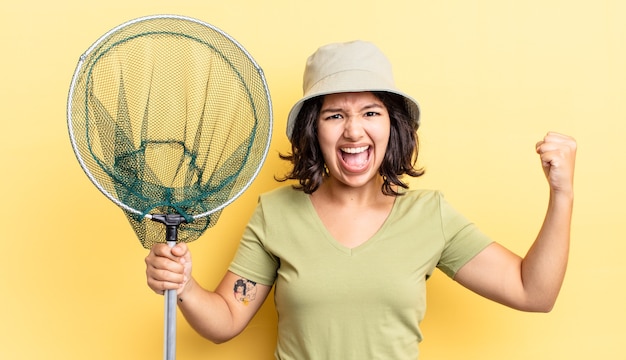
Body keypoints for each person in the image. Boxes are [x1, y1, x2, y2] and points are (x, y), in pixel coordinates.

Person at [145, 40, 577, 359]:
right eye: (336, 115)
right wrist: (182, 285)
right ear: (314, 131)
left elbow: (532, 292)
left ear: (393, 126)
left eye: (371, 112)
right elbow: (224, 319)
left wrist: (562, 193)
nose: (353, 131)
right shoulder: (276, 213)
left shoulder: (430, 217)